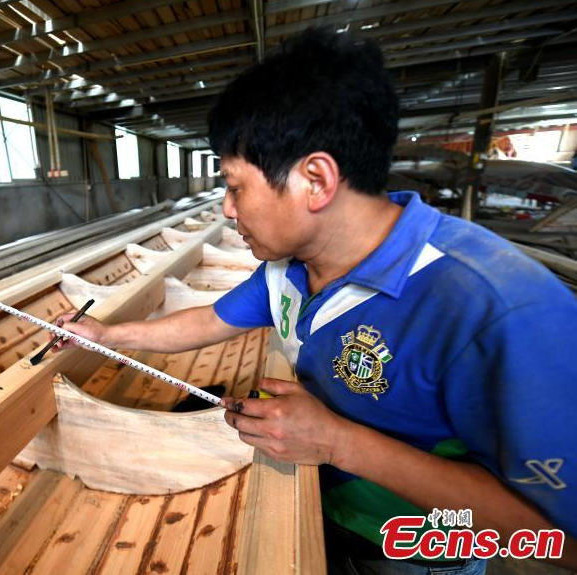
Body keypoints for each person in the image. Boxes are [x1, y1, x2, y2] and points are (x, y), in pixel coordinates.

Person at [54, 28, 576, 573]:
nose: (228, 211)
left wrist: (337, 443)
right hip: (324, 508)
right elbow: (208, 321)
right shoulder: (290, 266)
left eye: (235, 187)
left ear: (315, 180)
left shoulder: (495, 310)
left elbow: (560, 538)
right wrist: (106, 337)